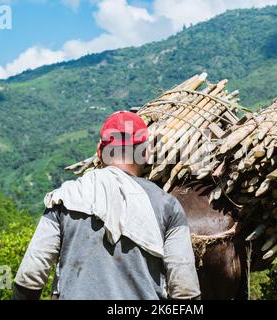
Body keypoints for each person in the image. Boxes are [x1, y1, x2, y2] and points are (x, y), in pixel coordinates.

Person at [12, 110, 201, 300]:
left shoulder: (65, 198)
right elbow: (185, 291)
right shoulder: (168, 206)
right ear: (145, 153)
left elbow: (29, 277)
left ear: (99, 152)